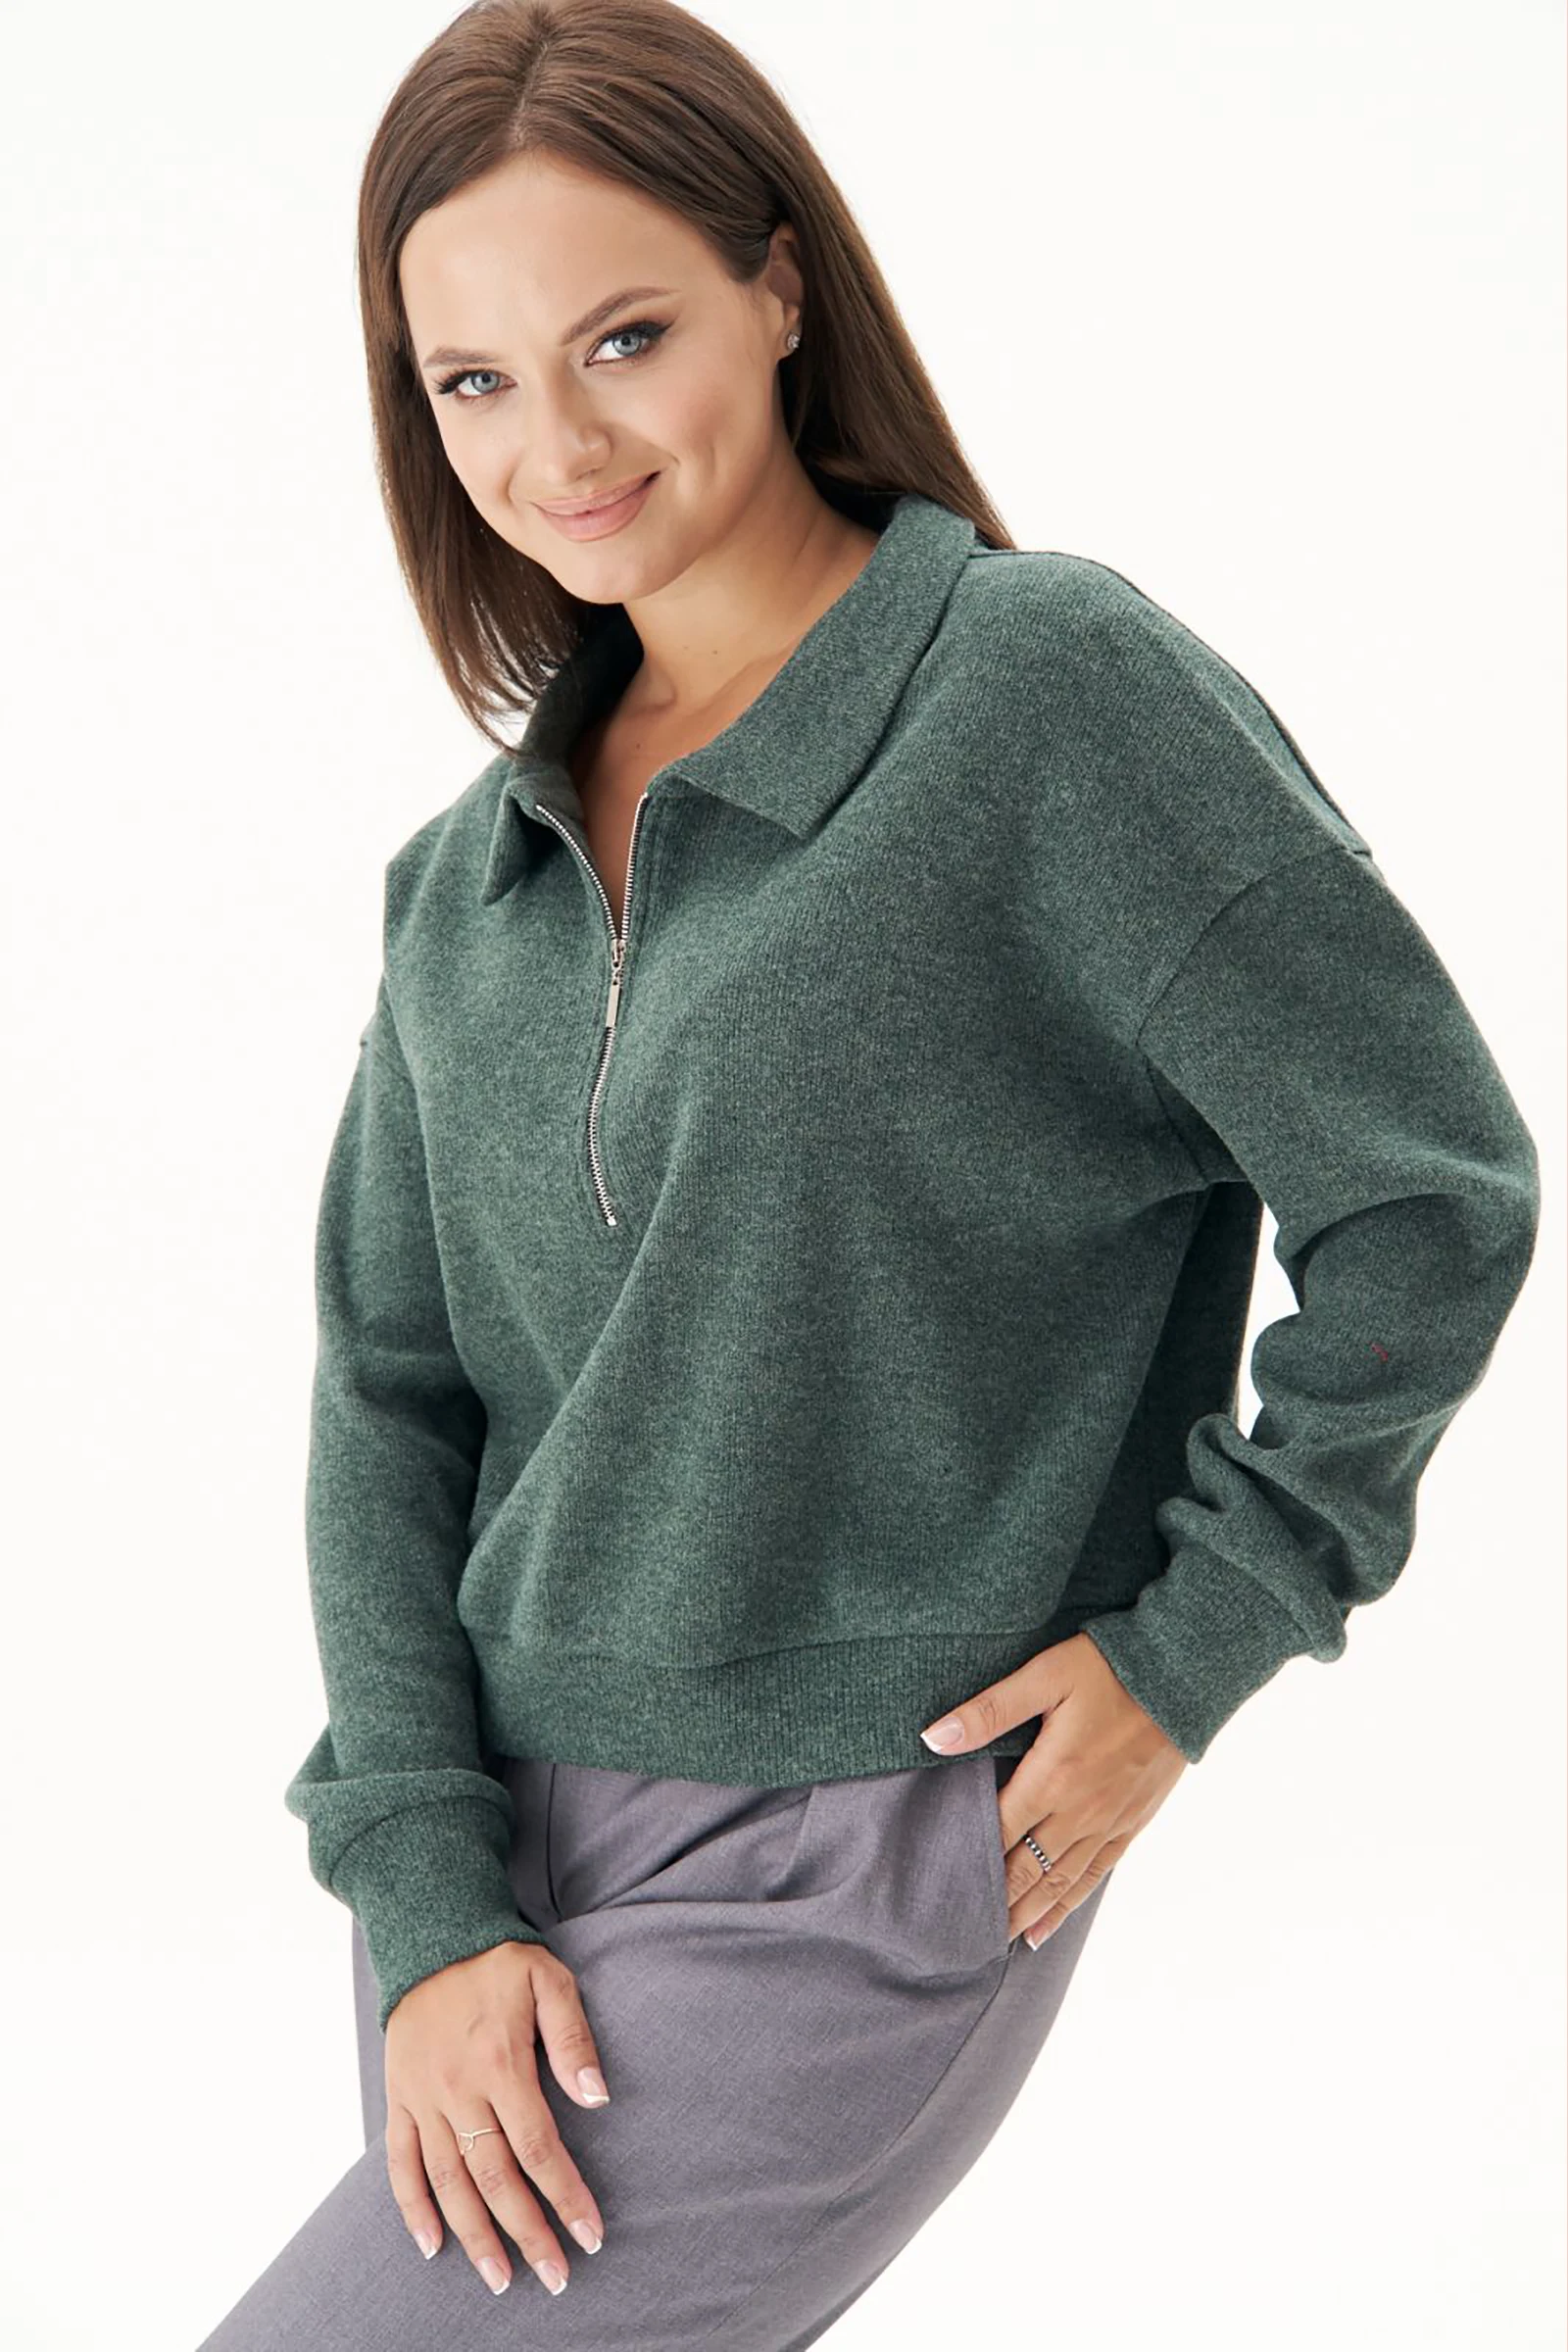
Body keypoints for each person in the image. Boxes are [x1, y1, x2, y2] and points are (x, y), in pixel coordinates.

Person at [196, 0, 1542, 2343]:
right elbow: (391, 1400)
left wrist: (1199, 1638)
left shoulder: (1043, 698)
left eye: (623, 337)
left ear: (779, 285)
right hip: (487, 1882)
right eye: (472, 380)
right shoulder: (464, 881)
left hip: (862, 1837)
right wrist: (422, 1890)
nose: (556, 443)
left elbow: (1426, 1188)